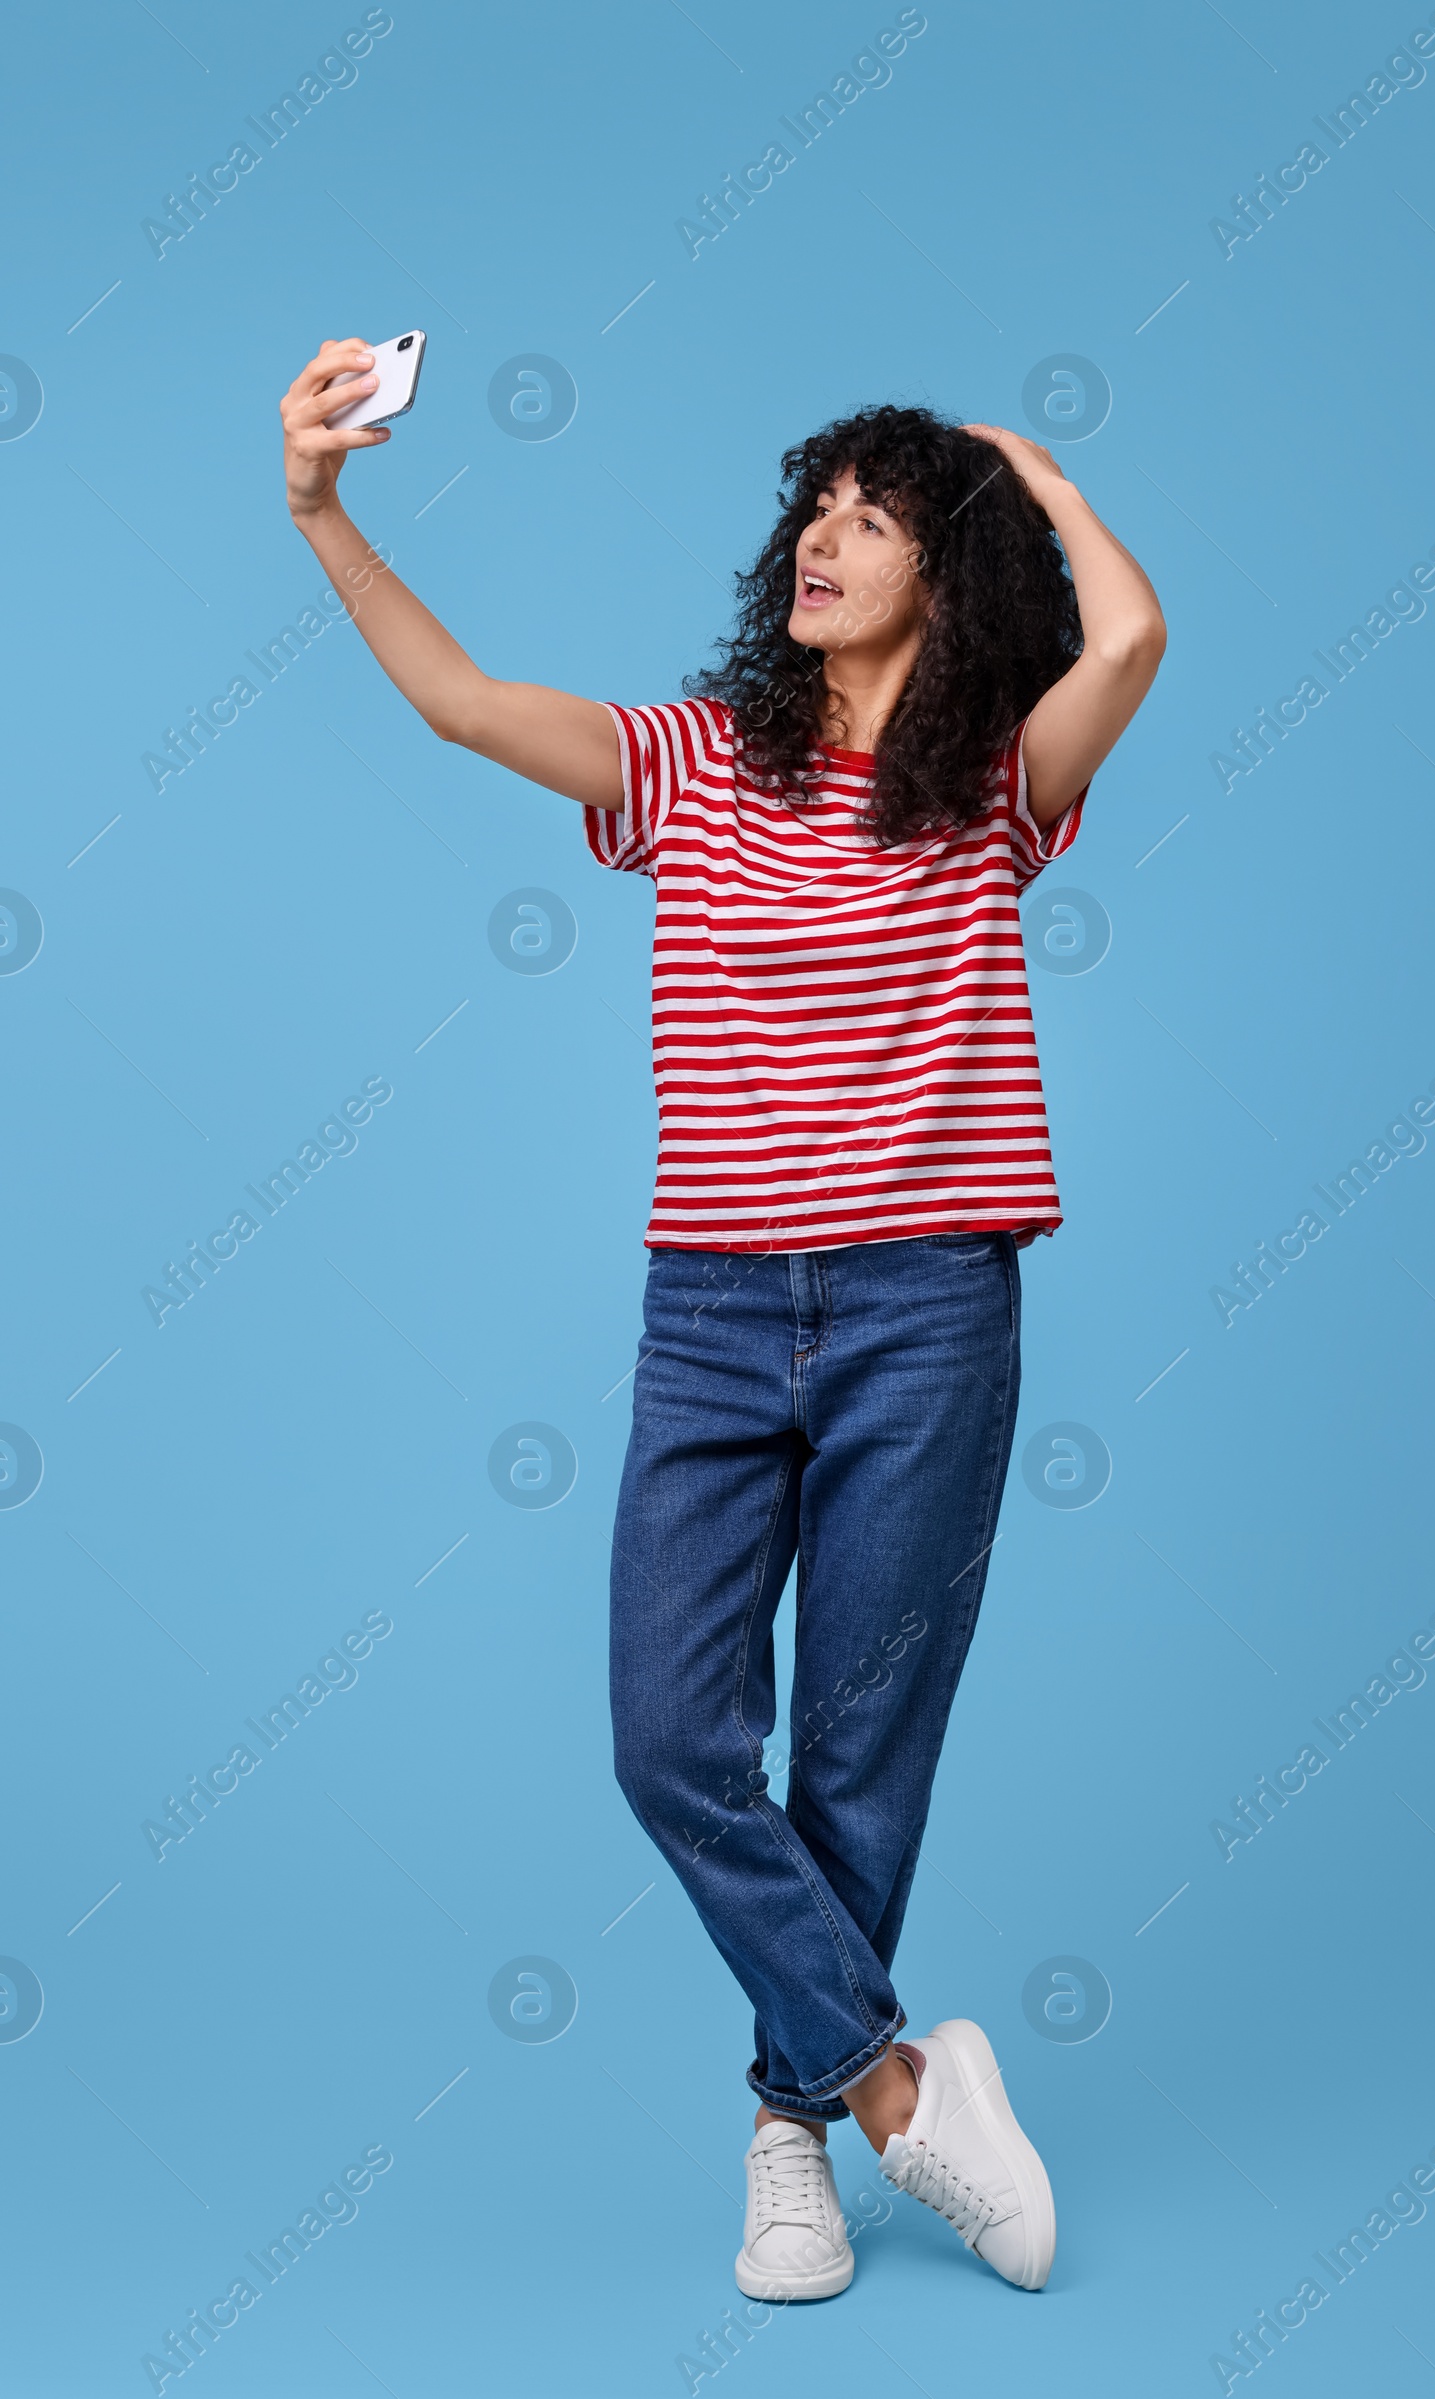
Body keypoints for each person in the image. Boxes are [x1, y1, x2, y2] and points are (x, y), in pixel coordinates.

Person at [279, 343, 1165, 2300]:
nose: (820, 546)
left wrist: (1037, 485)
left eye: (873, 519)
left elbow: (1134, 637)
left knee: (860, 1752)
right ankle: (894, 2094)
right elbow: (456, 703)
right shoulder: (694, 764)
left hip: (928, 1306)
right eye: (812, 513)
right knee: (673, 1736)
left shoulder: (997, 787)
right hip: (709, 1310)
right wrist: (321, 508)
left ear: (953, 576)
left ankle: (785, 2137)